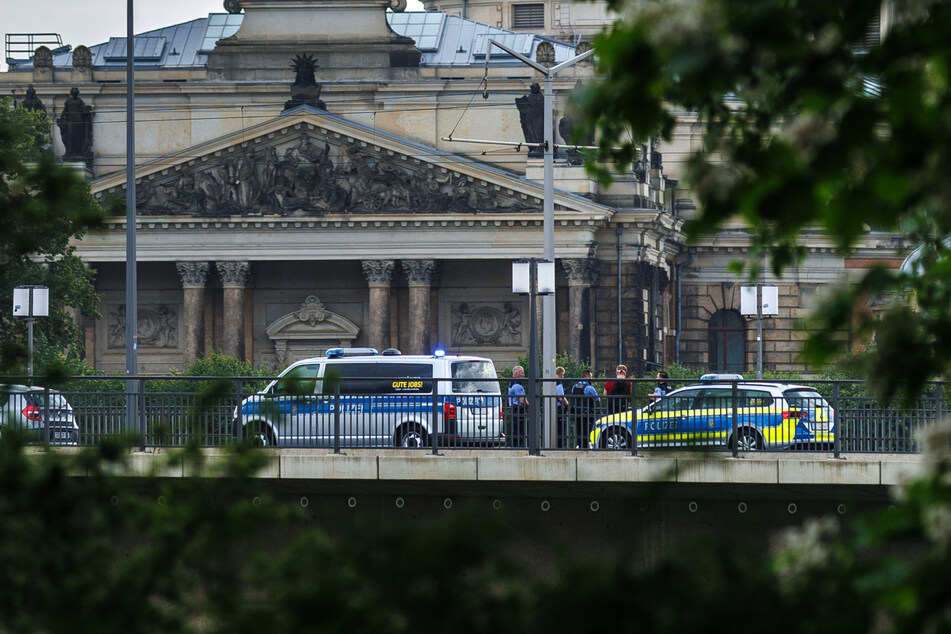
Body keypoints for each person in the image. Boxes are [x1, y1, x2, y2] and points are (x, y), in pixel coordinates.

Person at [570, 369, 600, 448]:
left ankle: (579, 445)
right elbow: (597, 399)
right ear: (588, 376)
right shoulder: (589, 388)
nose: (591, 377)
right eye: (591, 376)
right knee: (587, 430)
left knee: (579, 430)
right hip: (586, 412)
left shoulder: (574, 386)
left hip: (576, 411)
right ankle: (585, 446)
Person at [508, 365, 528, 447]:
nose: (524, 375)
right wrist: (529, 407)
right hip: (518, 408)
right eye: (522, 373)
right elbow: (522, 400)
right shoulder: (517, 385)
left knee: (516, 429)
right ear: (516, 374)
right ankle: (517, 446)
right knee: (519, 429)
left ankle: (516, 445)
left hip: (514, 408)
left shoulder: (512, 384)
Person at [555, 366, 569, 448]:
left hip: (553, 408)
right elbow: (561, 397)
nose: (563, 377)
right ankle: (560, 446)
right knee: (561, 429)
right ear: (560, 374)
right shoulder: (558, 384)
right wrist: (567, 404)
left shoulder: (551, 382)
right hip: (559, 409)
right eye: (563, 375)